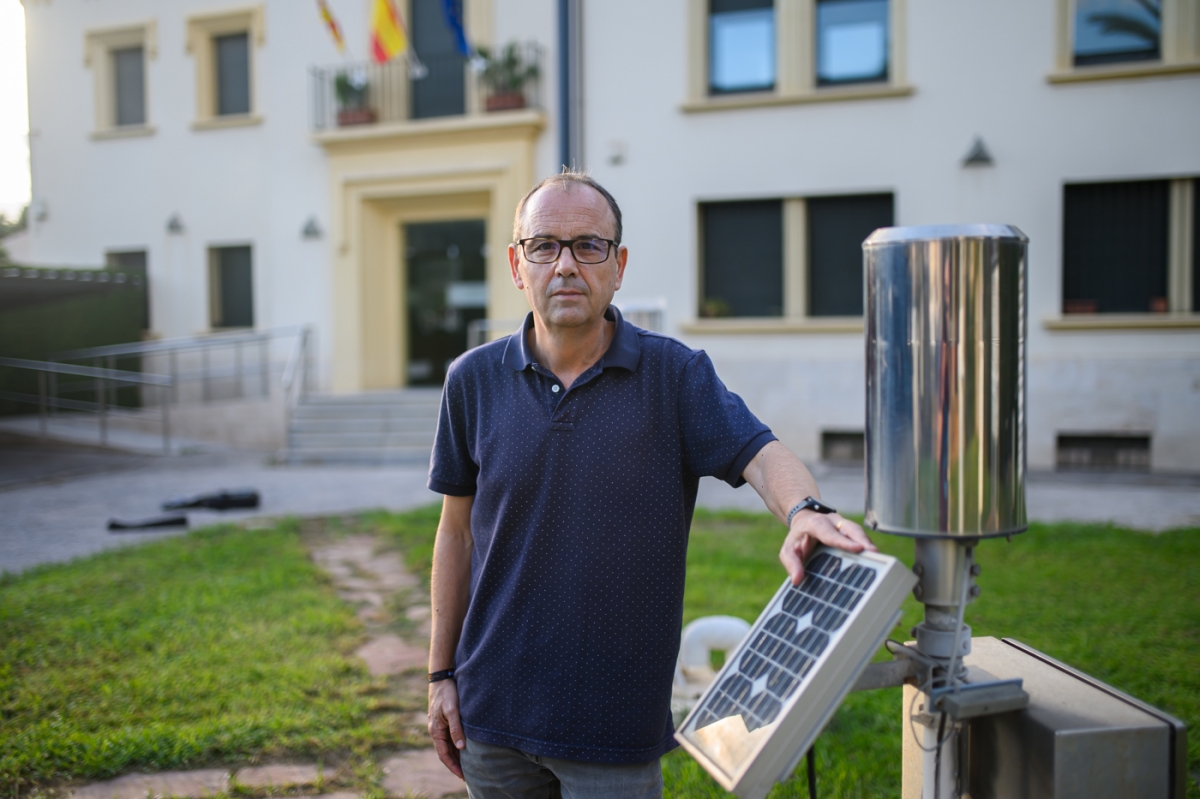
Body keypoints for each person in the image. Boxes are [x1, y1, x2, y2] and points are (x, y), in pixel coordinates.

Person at [425, 169, 875, 798]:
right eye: (544, 245)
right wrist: (440, 673)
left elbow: (761, 452)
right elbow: (456, 537)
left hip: (612, 726)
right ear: (515, 263)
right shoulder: (471, 380)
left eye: (588, 245)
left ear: (619, 264)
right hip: (490, 716)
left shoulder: (673, 376)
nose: (565, 265)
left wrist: (804, 510)